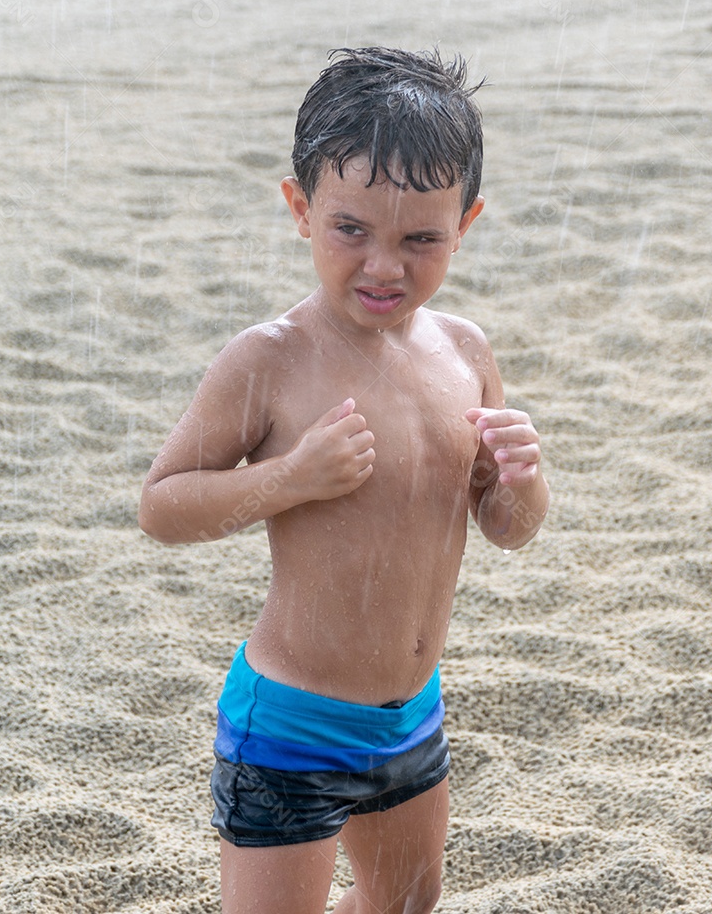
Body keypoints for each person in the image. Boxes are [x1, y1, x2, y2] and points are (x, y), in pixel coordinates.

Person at [138, 46, 550, 914]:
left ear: (465, 224)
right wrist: (289, 478)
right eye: (351, 230)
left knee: (406, 904)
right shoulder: (270, 360)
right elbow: (163, 507)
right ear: (301, 209)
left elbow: (506, 528)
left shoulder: (464, 352)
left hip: (411, 714)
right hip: (292, 722)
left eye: (420, 239)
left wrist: (522, 481)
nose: (384, 266)